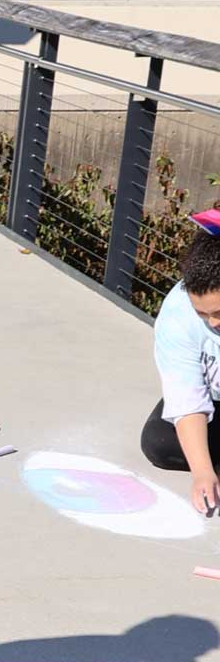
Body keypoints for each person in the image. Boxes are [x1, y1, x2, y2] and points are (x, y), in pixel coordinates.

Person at [142, 211, 220, 515]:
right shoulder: (177, 314)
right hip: (213, 397)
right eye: (203, 315)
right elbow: (186, 394)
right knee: (159, 443)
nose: (213, 324)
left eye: (219, 312)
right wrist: (201, 471)